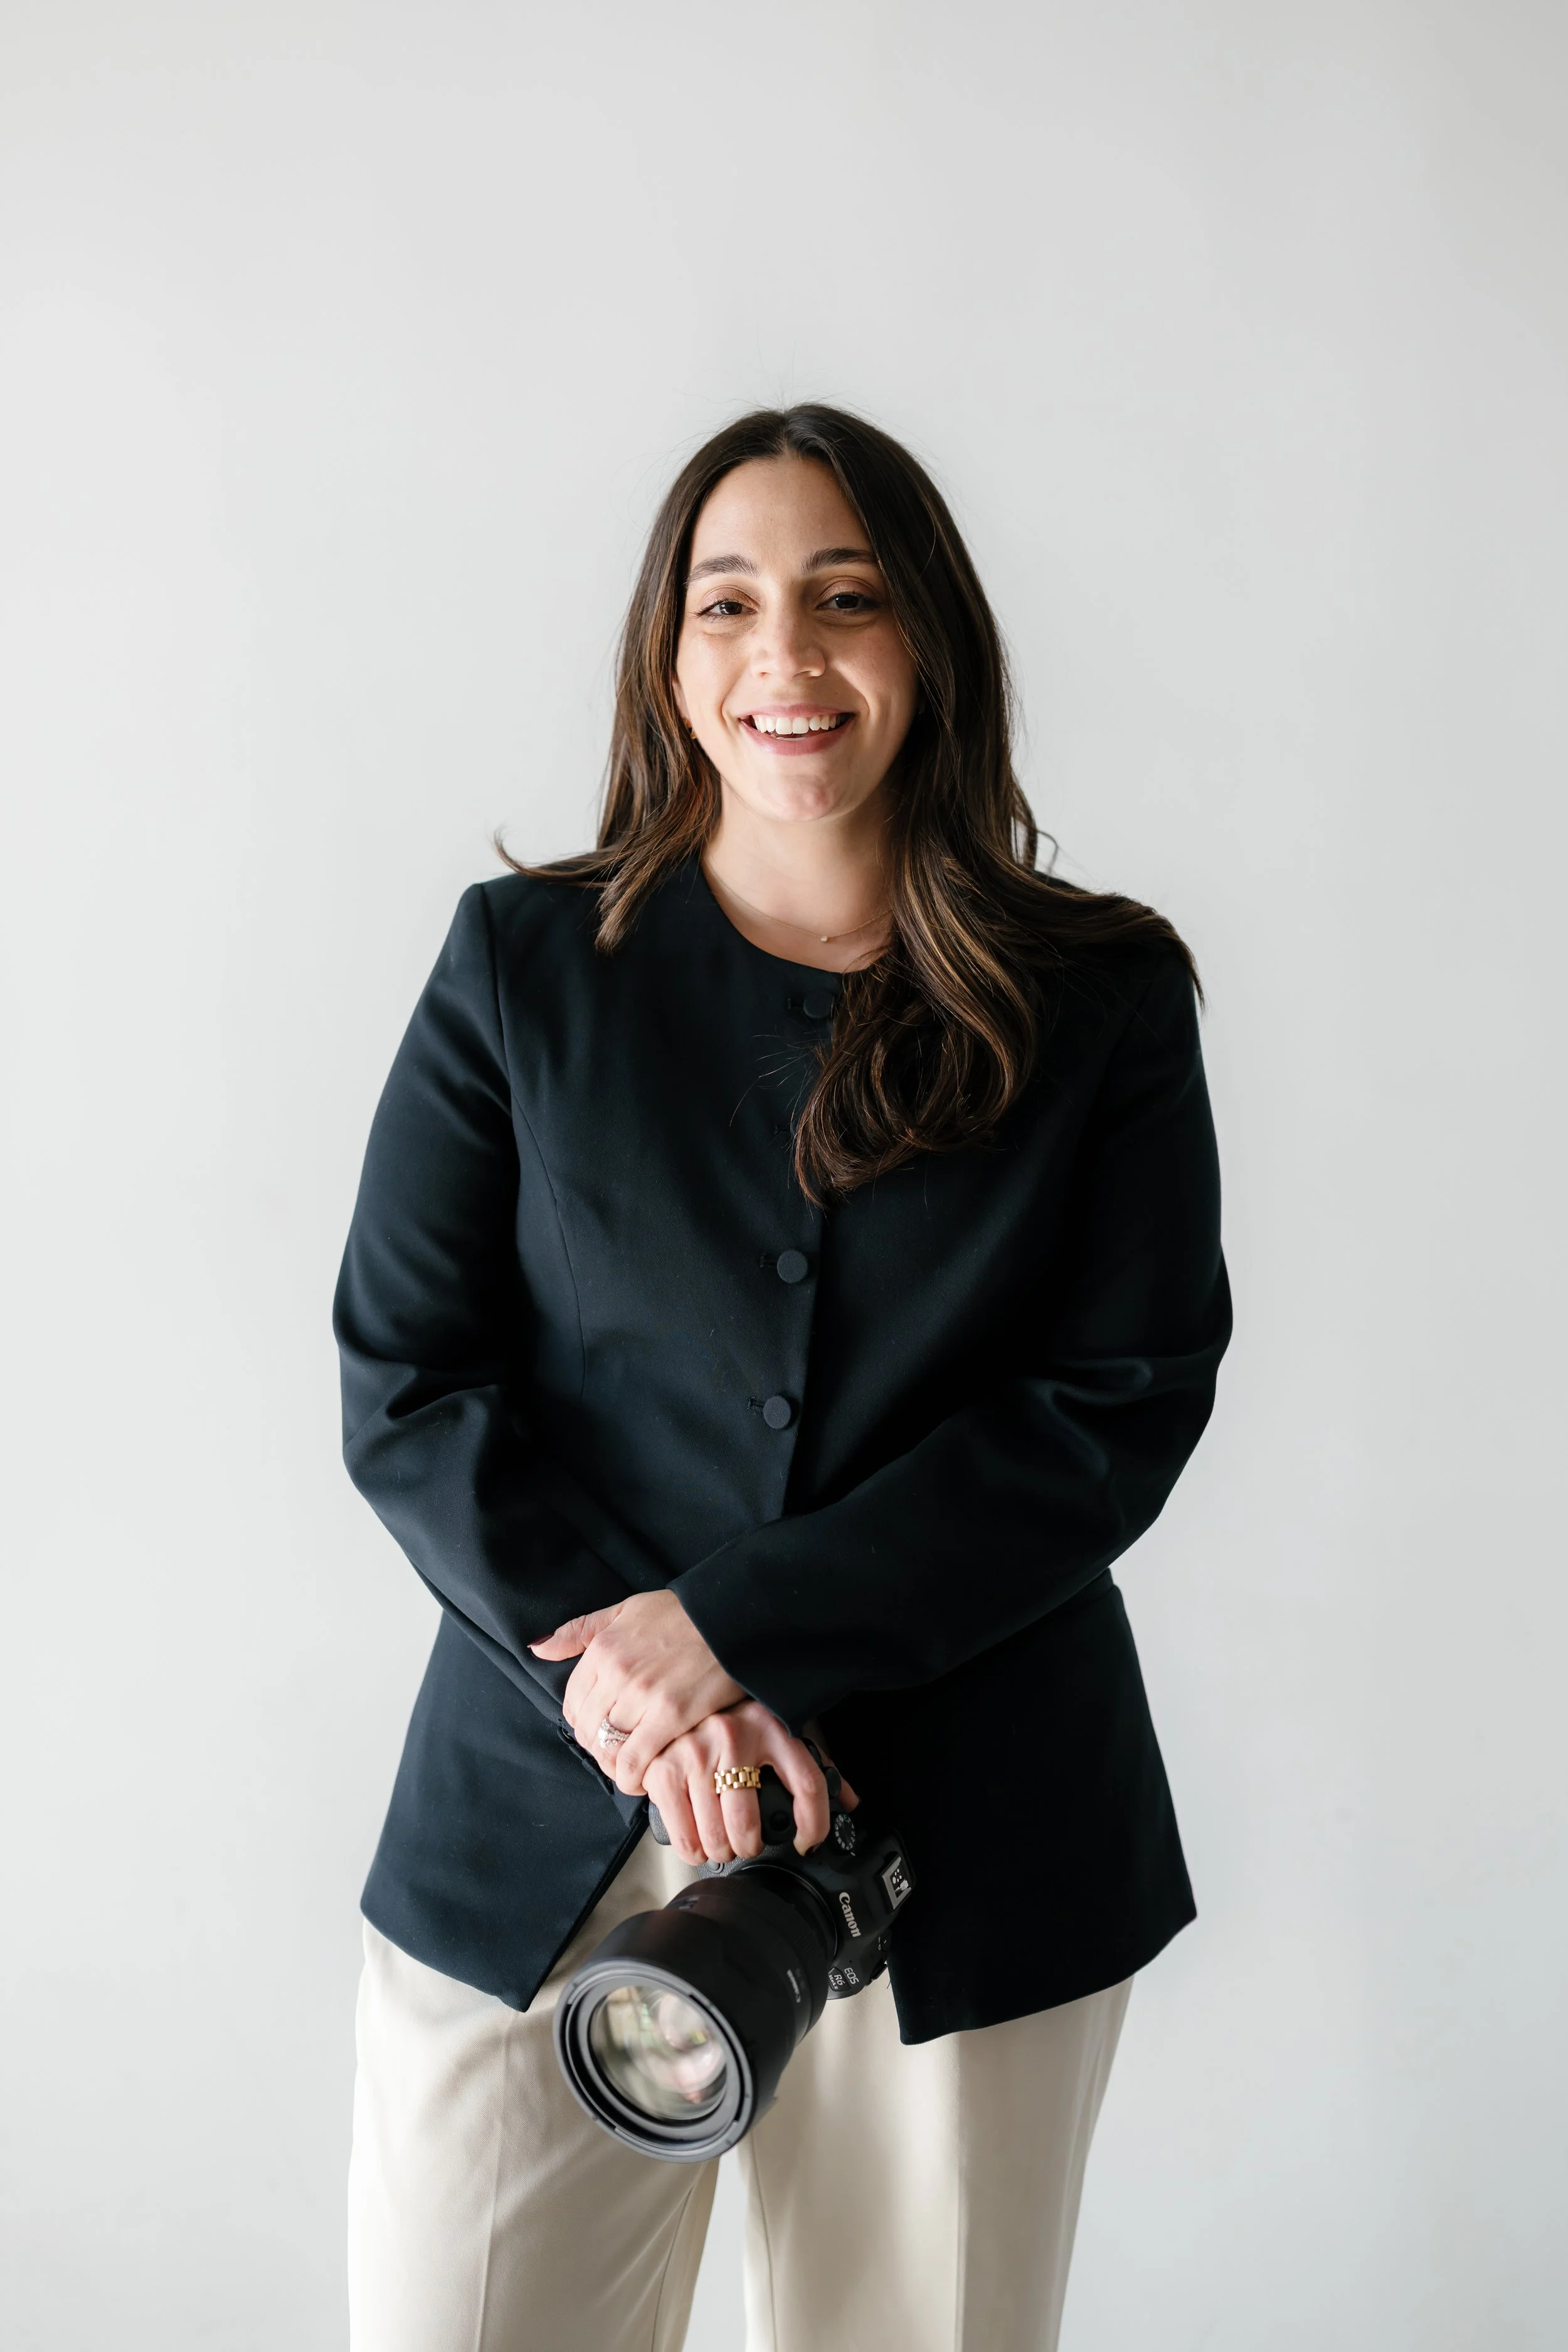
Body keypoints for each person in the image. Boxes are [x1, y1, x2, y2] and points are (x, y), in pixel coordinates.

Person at [334, 403, 1231, 2352]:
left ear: (932, 642)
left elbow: (1118, 1400)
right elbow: (409, 1377)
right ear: (670, 658)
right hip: (538, 1814)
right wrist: (644, 1700)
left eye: (846, 596)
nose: (785, 657)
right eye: (726, 601)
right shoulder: (520, 967)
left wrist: (731, 1627)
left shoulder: (1101, 998)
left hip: (971, 1835)